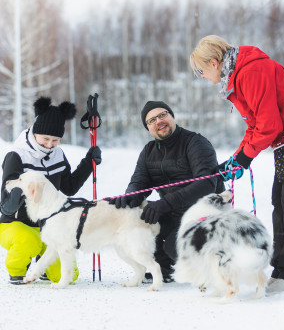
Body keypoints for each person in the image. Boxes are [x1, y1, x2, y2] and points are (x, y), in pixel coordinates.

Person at [189, 35, 284, 294]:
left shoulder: (250, 71)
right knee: (279, 200)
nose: (202, 76)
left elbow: (268, 125)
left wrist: (246, 157)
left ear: (214, 63)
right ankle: (282, 267)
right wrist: (237, 158)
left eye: (202, 70)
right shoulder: (238, 75)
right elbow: (255, 123)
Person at [109, 100, 224, 282]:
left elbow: (207, 184)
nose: (159, 121)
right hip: (172, 212)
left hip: (205, 213)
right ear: (148, 128)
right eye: (152, 120)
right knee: (139, 227)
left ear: (172, 116)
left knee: (173, 245)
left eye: (163, 115)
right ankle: (165, 267)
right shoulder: (149, 151)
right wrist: (128, 198)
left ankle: (215, 264)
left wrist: (166, 203)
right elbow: (139, 183)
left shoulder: (195, 142)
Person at [0, 96, 102, 285]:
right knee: (28, 240)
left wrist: (89, 163)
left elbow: (69, 187)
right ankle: (17, 271)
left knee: (67, 276)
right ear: (35, 132)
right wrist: (18, 194)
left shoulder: (57, 155)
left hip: (47, 224)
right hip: (14, 223)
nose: (49, 144)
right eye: (46, 139)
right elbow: (5, 206)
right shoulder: (17, 155)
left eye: (55, 140)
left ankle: (44, 266)